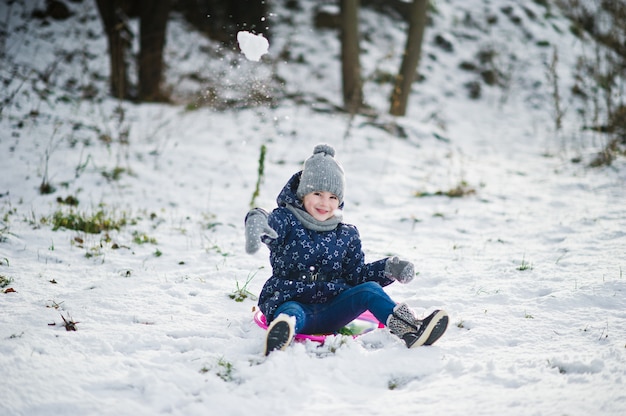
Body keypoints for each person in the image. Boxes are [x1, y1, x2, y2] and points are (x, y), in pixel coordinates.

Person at [245, 144, 448, 355]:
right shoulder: (286, 221)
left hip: (334, 309)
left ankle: (410, 329)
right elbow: (269, 224)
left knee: (369, 290)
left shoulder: (346, 234)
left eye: (333, 197)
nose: (325, 202)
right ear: (302, 193)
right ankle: (281, 333)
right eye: (317, 193)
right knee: (292, 312)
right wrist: (257, 219)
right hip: (292, 301)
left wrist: (389, 268)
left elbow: (356, 275)